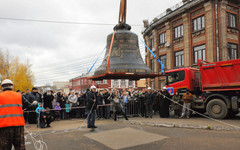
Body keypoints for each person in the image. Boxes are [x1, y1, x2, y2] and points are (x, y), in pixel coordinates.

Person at [0, 79, 33, 150]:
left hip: (4, 127)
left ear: (2, 87)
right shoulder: (19, 96)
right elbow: (29, 106)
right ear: (12, 87)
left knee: (4, 147)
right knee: (20, 147)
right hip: (18, 126)